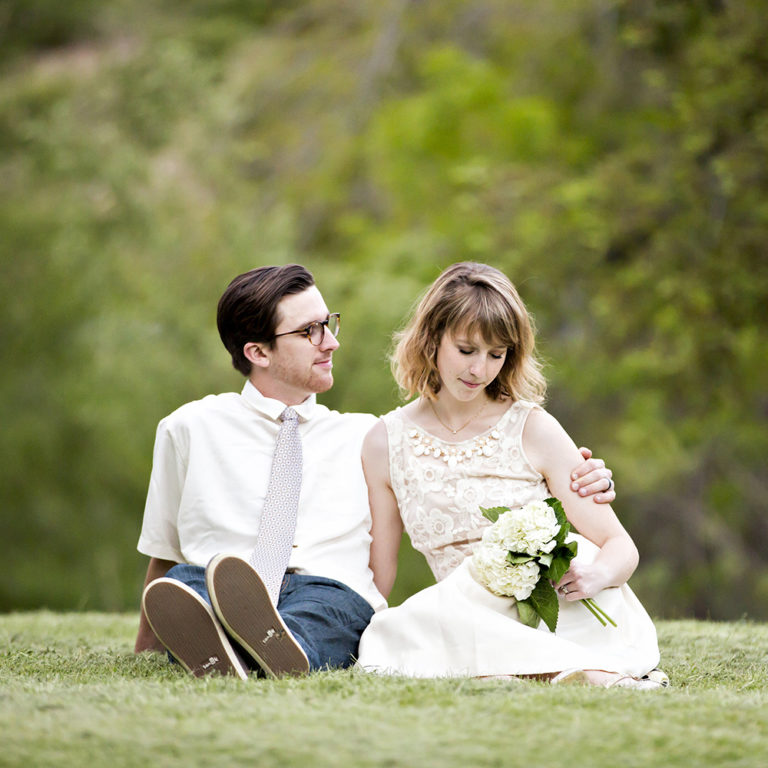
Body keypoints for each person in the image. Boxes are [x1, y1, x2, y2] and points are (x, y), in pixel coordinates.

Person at [134, 263, 618, 680]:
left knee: (327, 615)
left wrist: (586, 476)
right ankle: (235, 641)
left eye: (329, 324)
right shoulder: (188, 428)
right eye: (309, 332)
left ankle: (263, 648)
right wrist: (147, 644)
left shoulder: (369, 436)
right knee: (189, 582)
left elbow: (467, 466)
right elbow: (163, 550)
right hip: (224, 580)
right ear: (258, 352)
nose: (331, 343)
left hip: (324, 590)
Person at [356, 262, 664, 689]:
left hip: (553, 605)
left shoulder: (534, 429)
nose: (479, 370)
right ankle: (535, 673)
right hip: (463, 613)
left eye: (495, 355)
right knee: (392, 633)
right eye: (466, 350)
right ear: (431, 339)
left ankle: (583, 672)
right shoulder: (383, 442)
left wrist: (597, 575)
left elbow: (620, 546)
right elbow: (378, 579)